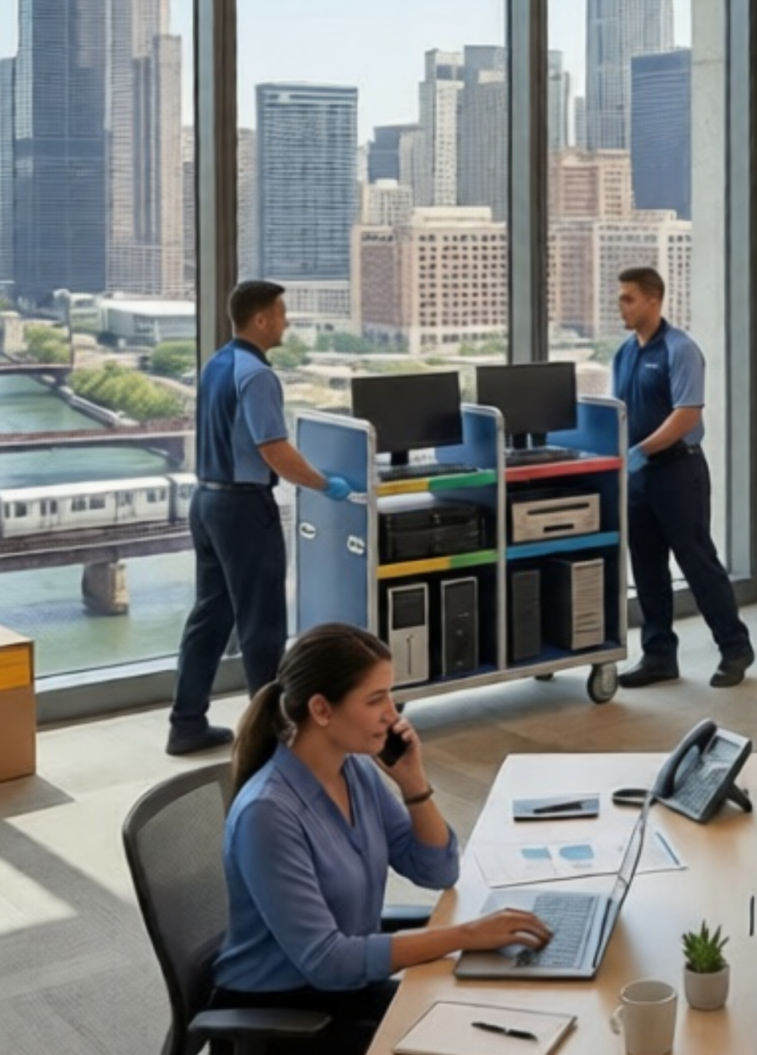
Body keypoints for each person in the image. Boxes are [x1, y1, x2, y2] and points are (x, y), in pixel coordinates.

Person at [216, 625, 551, 1053]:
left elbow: (437, 870)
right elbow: (327, 961)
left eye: (390, 696)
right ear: (322, 710)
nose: (393, 715)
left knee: (494, 1018)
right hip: (287, 1018)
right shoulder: (267, 814)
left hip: (349, 993)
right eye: (375, 700)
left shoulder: (353, 770)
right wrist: (466, 935)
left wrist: (413, 782)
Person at [168, 280, 355, 757]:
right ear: (260, 319)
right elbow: (272, 448)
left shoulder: (217, 365)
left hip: (206, 503)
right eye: (281, 312)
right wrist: (322, 484)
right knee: (263, 621)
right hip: (244, 509)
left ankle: (186, 723)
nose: (286, 321)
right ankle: (269, 736)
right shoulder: (257, 375)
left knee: (210, 616)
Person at [611, 267, 753, 690]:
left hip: (678, 470)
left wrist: (641, 450)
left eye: (628, 298)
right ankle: (658, 656)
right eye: (620, 297)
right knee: (648, 565)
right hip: (639, 478)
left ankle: (735, 648)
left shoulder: (680, 348)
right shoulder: (624, 352)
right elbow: (619, 409)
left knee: (697, 561)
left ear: (653, 300)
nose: (621, 305)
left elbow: (687, 412)